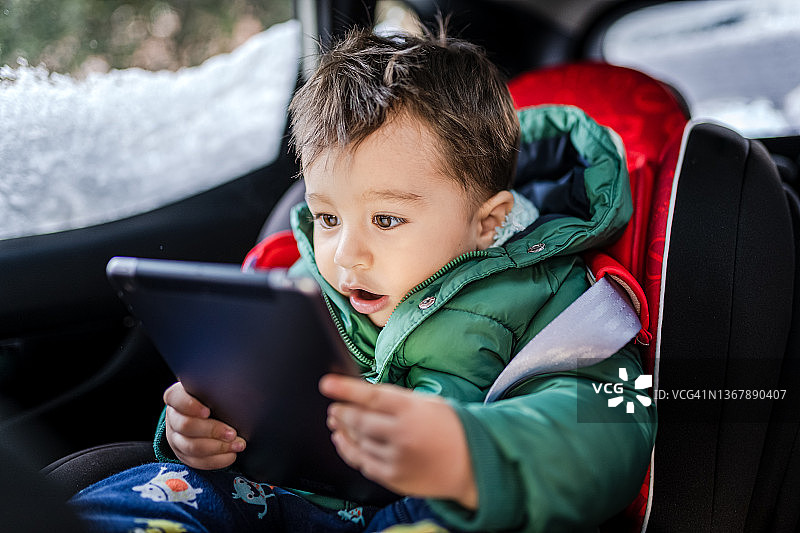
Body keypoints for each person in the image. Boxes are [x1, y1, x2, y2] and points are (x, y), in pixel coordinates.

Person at [69, 25, 656, 533]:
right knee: (148, 491)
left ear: (488, 221)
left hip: (439, 508)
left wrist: (465, 453)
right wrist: (198, 430)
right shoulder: (297, 283)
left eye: (386, 220)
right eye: (328, 218)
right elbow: (244, 399)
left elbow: (612, 424)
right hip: (283, 500)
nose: (347, 256)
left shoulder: (561, 299)